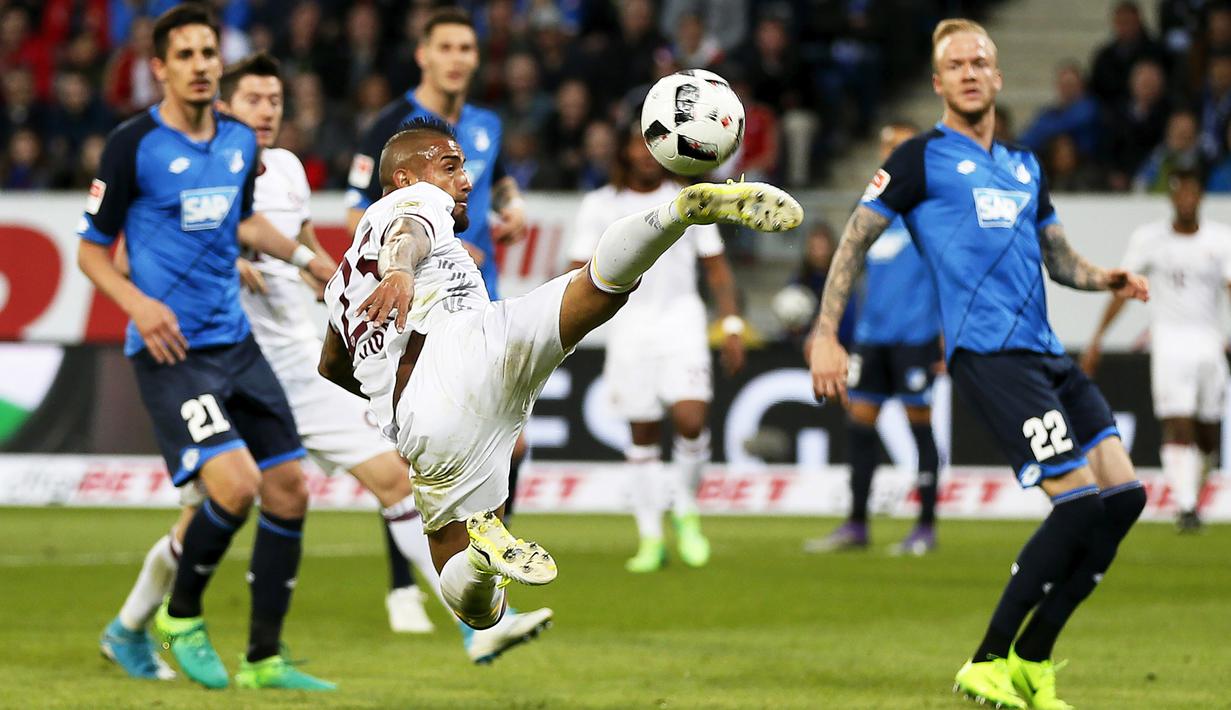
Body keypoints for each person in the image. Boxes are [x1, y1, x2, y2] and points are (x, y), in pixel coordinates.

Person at [320, 118, 801, 639]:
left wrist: (387, 392)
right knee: (595, 287)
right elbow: (405, 235)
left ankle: (484, 559)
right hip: (475, 343)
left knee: (477, 609)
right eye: (451, 167)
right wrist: (399, 271)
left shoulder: (338, 285)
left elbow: (331, 365)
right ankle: (675, 214)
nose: (466, 182)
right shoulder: (406, 206)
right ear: (405, 179)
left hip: (432, 414)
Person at [809, 19, 1150, 710]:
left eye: (979, 61)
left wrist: (1102, 277)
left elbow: (1056, 258)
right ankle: (988, 660)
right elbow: (852, 239)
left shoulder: (1025, 165)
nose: (969, 72)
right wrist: (825, 332)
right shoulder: (917, 159)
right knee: (1077, 504)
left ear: (995, 76)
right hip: (989, 355)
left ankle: (1031, 658)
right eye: (955, 65)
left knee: (1124, 498)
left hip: (1046, 354)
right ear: (938, 83)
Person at [80, 4, 336, 691]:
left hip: (236, 343)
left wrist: (309, 260)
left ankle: (264, 660)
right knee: (236, 485)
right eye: (185, 55)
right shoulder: (132, 144)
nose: (199, 65)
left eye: (208, 53)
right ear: (159, 68)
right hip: (172, 353)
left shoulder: (237, 142)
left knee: (289, 491)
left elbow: (244, 219)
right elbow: (90, 253)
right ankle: (181, 617)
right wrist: (138, 303)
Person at [344, 7, 533, 533]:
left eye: (466, 49)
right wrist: (430, 248)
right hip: (419, 306)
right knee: (418, 449)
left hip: (481, 298)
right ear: (423, 55)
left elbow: (496, 180)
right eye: (445, 47)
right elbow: (356, 212)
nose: (456, 59)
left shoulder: (486, 123)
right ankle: (409, 585)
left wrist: (510, 205)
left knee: (511, 443)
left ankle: (484, 566)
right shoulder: (388, 127)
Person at [565, 124, 746, 573]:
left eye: (652, 148)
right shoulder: (600, 205)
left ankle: (685, 507)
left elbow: (717, 269)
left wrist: (733, 322)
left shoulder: (690, 198)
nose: (645, 156)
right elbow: (577, 270)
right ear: (624, 152)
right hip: (628, 330)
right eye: (636, 146)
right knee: (641, 435)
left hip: (682, 323)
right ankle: (650, 538)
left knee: (691, 419)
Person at [804, 121, 942, 556]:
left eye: (898, 146)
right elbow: (848, 275)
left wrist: (946, 336)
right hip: (871, 336)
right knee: (859, 425)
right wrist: (827, 331)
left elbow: (950, 277)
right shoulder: (872, 209)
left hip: (916, 337)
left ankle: (925, 526)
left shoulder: (931, 210)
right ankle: (857, 524)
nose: (888, 153)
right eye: (885, 146)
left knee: (920, 427)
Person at [1083, 169, 1231, 533]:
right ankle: (1185, 507)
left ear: (1200, 197)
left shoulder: (1221, 239)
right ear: (1172, 197)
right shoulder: (1149, 239)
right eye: (1180, 192)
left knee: (1208, 433)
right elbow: (1124, 288)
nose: (1186, 199)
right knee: (1176, 423)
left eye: (1192, 192)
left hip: (1209, 342)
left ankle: (1193, 494)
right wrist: (1098, 337)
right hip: (1169, 342)